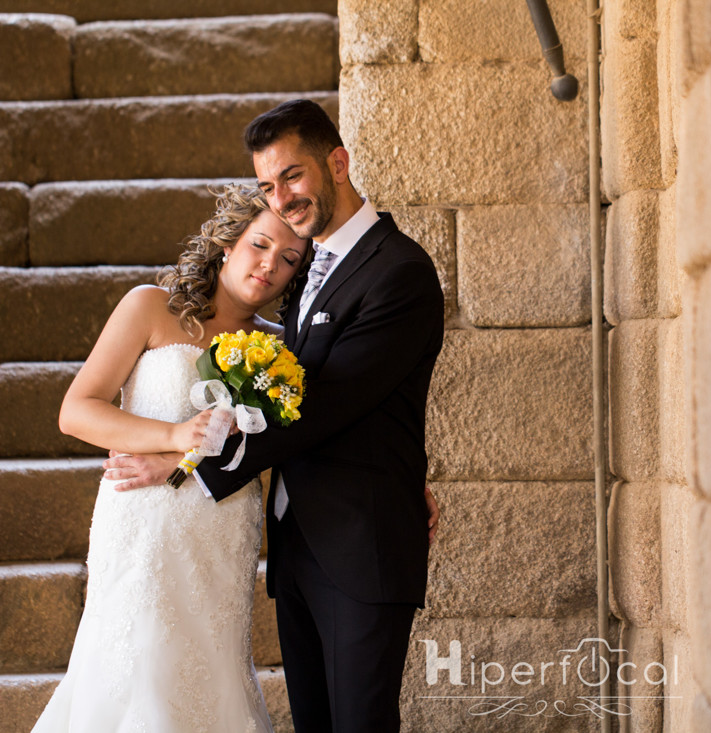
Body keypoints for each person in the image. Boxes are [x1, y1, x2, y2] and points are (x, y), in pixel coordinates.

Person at [106, 99, 446, 732]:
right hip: (299, 547)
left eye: (293, 175)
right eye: (267, 186)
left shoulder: (399, 270)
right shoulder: (313, 264)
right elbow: (289, 394)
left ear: (337, 163)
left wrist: (187, 467)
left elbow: (324, 405)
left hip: (359, 547)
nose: (283, 197)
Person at [32, 184, 310, 732]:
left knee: (208, 672)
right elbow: (76, 411)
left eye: (288, 259)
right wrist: (175, 434)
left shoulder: (282, 351)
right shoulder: (150, 307)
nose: (269, 265)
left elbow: (286, 443)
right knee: (137, 665)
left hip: (222, 524)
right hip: (142, 518)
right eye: (259, 244)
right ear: (229, 242)